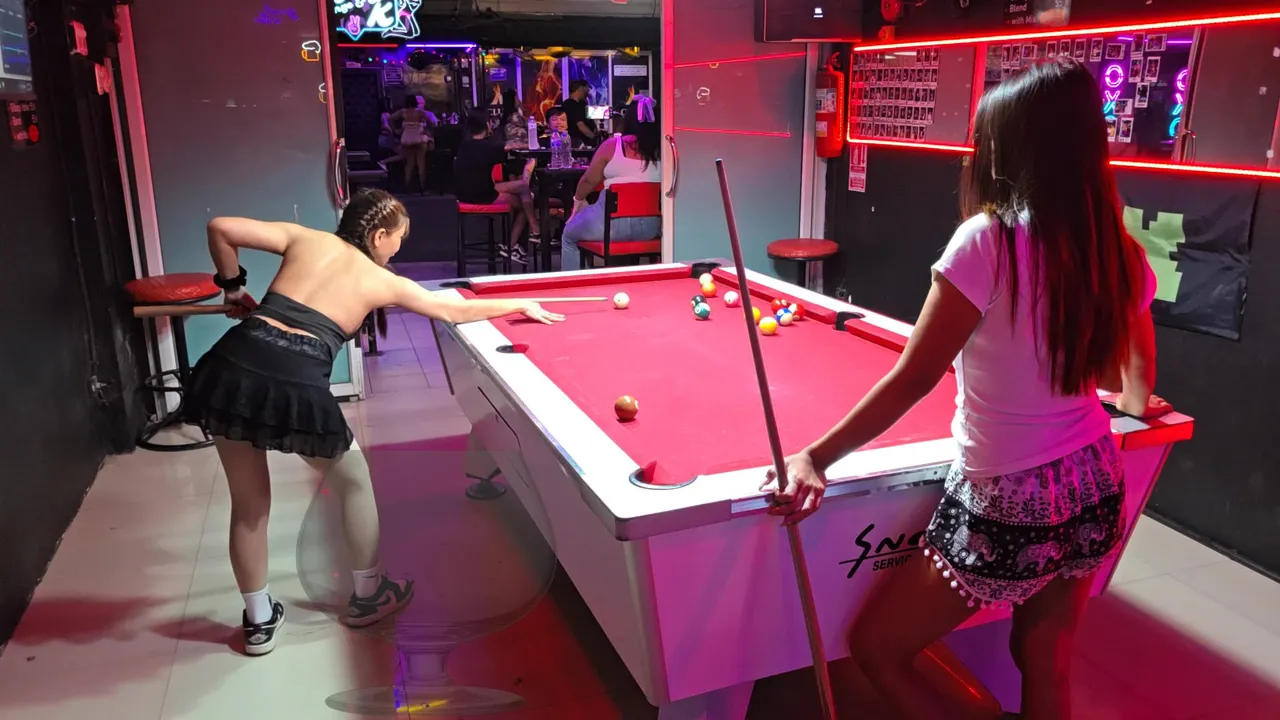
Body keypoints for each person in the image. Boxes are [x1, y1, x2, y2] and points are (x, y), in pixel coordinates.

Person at [764, 59, 1171, 719]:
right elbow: (1135, 380)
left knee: (877, 649)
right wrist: (1130, 406)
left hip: (1010, 496)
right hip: (1096, 479)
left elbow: (915, 377)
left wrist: (816, 456)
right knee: (1045, 657)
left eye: (986, 140)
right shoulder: (1119, 250)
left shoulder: (989, 240)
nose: (976, 153)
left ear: (1016, 149)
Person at [183, 189, 564, 656]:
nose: (399, 248)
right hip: (296, 379)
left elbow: (220, 226)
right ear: (380, 235)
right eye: (400, 238)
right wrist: (520, 305)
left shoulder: (305, 238)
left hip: (232, 367)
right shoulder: (380, 279)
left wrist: (232, 288)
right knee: (355, 482)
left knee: (249, 505)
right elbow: (454, 310)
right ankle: (369, 594)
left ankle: (258, 621)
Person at [560, 96, 661, 270]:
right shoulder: (665, 149)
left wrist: (578, 200)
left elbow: (589, 180)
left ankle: (576, 284)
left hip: (611, 227)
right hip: (651, 228)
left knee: (568, 235)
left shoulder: (613, 145)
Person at [453, 109, 542, 263]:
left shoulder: (463, 145)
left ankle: (532, 233)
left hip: (464, 193)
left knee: (522, 187)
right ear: (487, 124)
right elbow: (514, 145)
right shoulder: (488, 146)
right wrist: (534, 143)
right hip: (482, 195)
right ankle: (518, 241)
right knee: (525, 202)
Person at [391, 96, 435, 191]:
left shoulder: (402, 112)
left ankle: (407, 187)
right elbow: (432, 122)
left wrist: (395, 130)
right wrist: (427, 131)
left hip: (407, 139)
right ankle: (422, 187)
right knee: (421, 163)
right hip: (419, 138)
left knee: (409, 163)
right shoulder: (421, 112)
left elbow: (390, 118)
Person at [562, 80, 597, 148]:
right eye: (587, 89)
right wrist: (594, 138)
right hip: (579, 143)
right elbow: (580, 125)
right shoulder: (569, 104)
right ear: (580, 89)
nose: (588, 92)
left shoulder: (582, 104)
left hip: (585, 141)